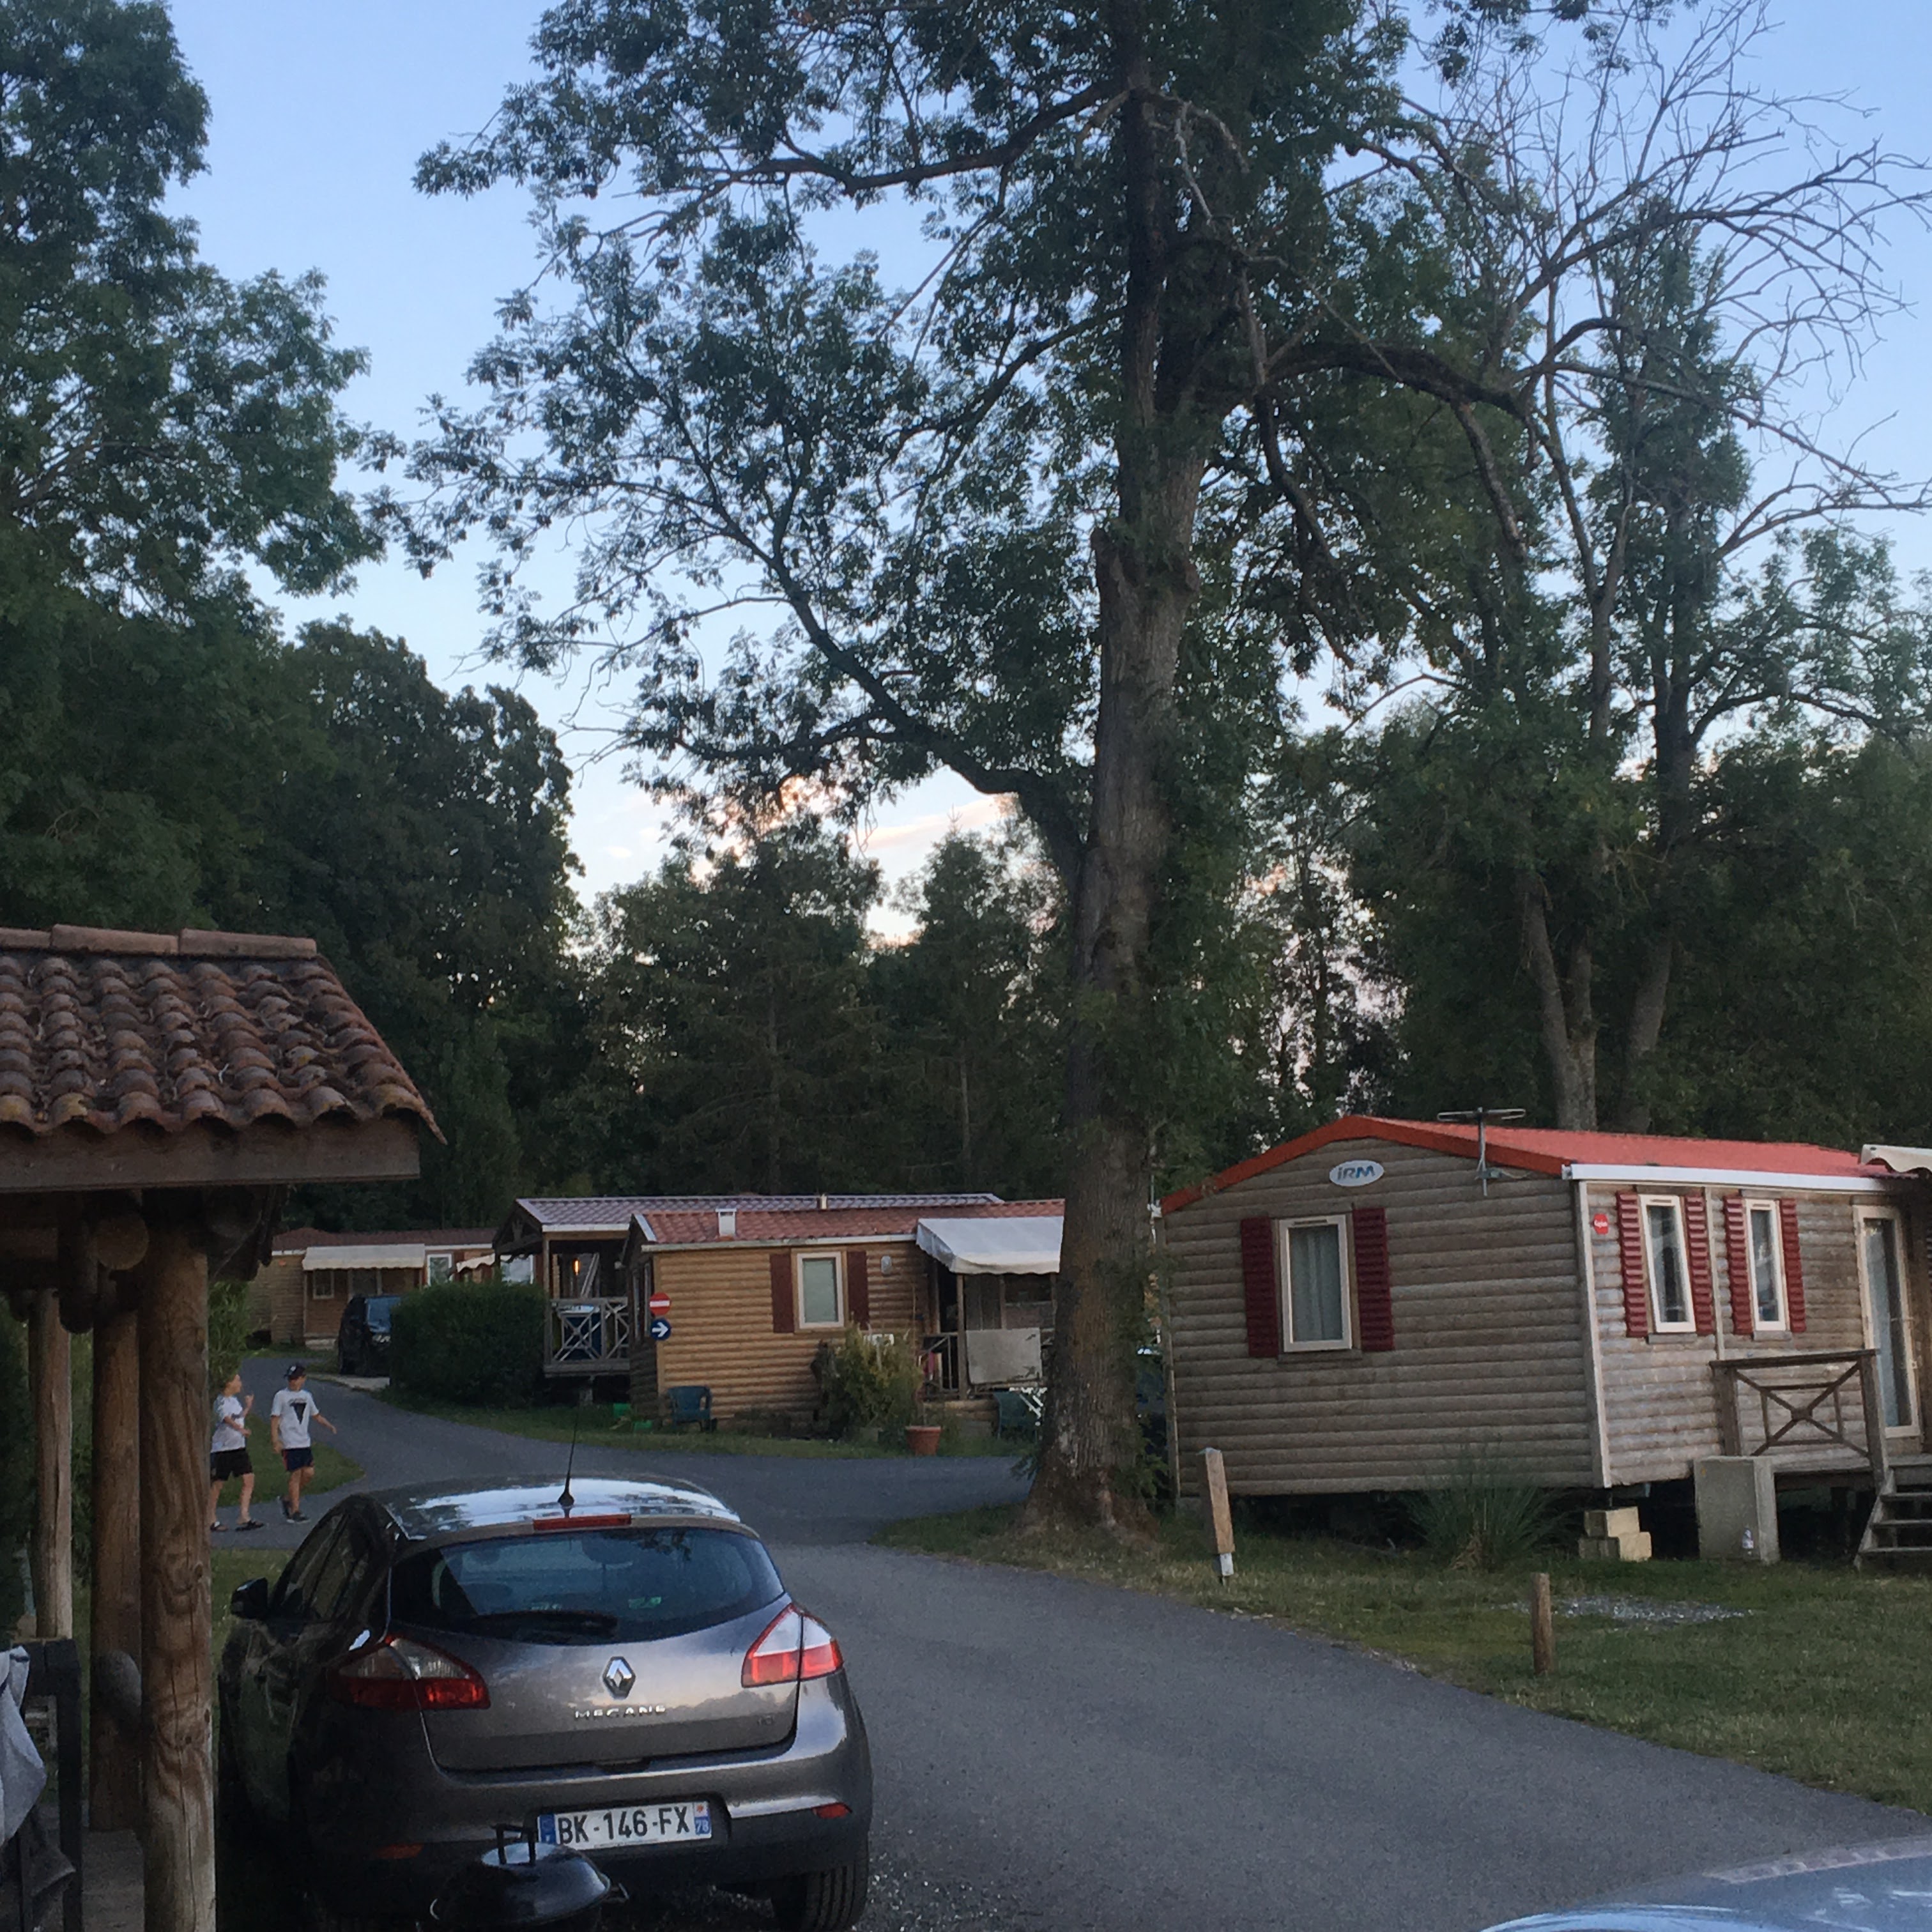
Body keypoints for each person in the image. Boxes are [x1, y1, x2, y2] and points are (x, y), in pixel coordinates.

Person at [269, 1362, 337, 1522]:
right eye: (290, 1379)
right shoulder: (281, 1396)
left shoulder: (307, 1396)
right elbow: (275, 1419)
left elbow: (315, 1415)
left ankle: (288, 1498)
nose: (292, 1382)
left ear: (303, 1379)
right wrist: (276, 1440)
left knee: (309, 1473)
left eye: (295, 1379)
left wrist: (328, 1425)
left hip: (303, 1441)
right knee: (296, 1474)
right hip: (289, 1442)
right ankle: (295, 1510)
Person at [208, 1371, 261, 1532]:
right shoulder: (220, 1401)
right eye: (237, 1380)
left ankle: (244, 1516)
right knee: (218, 1484)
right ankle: (211, 1519)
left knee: (249, 1479)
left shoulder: (234, 1401)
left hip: (238, 1447)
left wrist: (248, 1407)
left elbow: (238, 1417)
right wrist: (241, 1430)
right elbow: (227, 1419)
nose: (240, 1383)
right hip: (223, 1449)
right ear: (228, 1383)